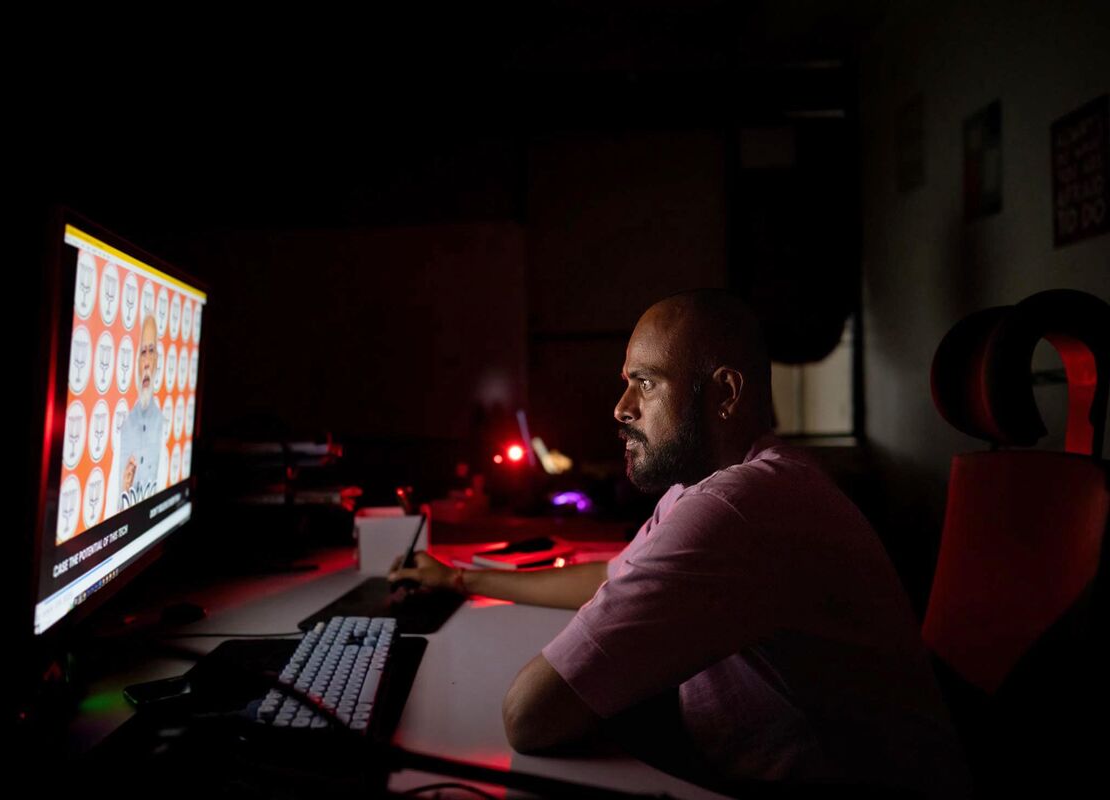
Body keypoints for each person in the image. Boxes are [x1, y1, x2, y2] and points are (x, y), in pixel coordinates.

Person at [390, 290, 969, 797]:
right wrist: (462, 580)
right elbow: (611, 575)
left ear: (725, 393)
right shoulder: (711, 485)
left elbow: (527, 716)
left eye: (645, 383)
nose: (621, 408)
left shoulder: (738, 508)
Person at [118, 313, 164, 509]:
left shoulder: (164, 425)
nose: (146, 363)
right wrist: (125, 488)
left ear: (157, 360)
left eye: (151, 351)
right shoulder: (123, 427)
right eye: (142, 352)